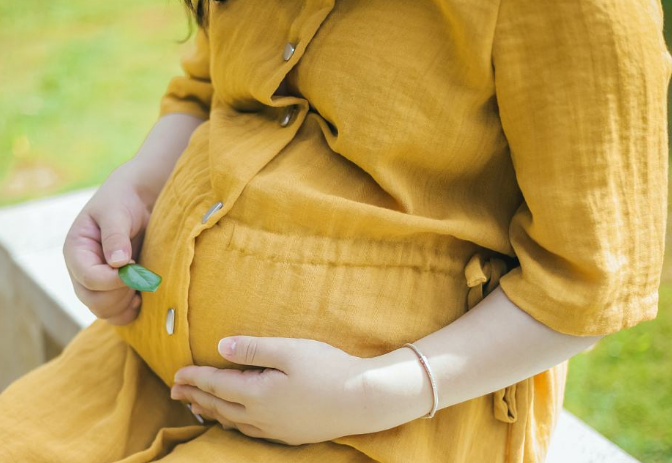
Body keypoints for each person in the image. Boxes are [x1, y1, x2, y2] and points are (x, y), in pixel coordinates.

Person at [1, 0, 670, 461]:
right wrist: (137, 183)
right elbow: (205, 90)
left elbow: (590, 282)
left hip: (388, 428)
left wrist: (370, 392)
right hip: (136, 366)